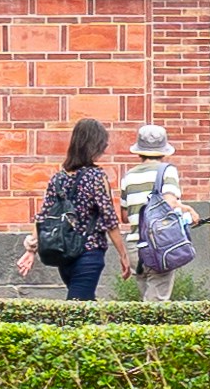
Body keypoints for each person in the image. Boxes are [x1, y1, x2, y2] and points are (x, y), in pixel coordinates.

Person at [24, 117, 117, 302]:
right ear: (95, 146)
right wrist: (123, 255)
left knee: (83, 305)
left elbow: (43, 217)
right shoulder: (96, 177)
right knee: (77, 310)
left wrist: (31, 249)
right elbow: (110, 220)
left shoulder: (58, 178)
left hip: (64, 255)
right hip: (89, 253)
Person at [114, 121, 198, 302]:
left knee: (147, 299)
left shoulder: (128, 176)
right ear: (163, 151)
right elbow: (169, 204)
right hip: (159, 245)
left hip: (135, 247)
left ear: (139, 151)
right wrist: (188, 209)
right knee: (156, 304)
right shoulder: (167, 171)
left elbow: (124, 216)